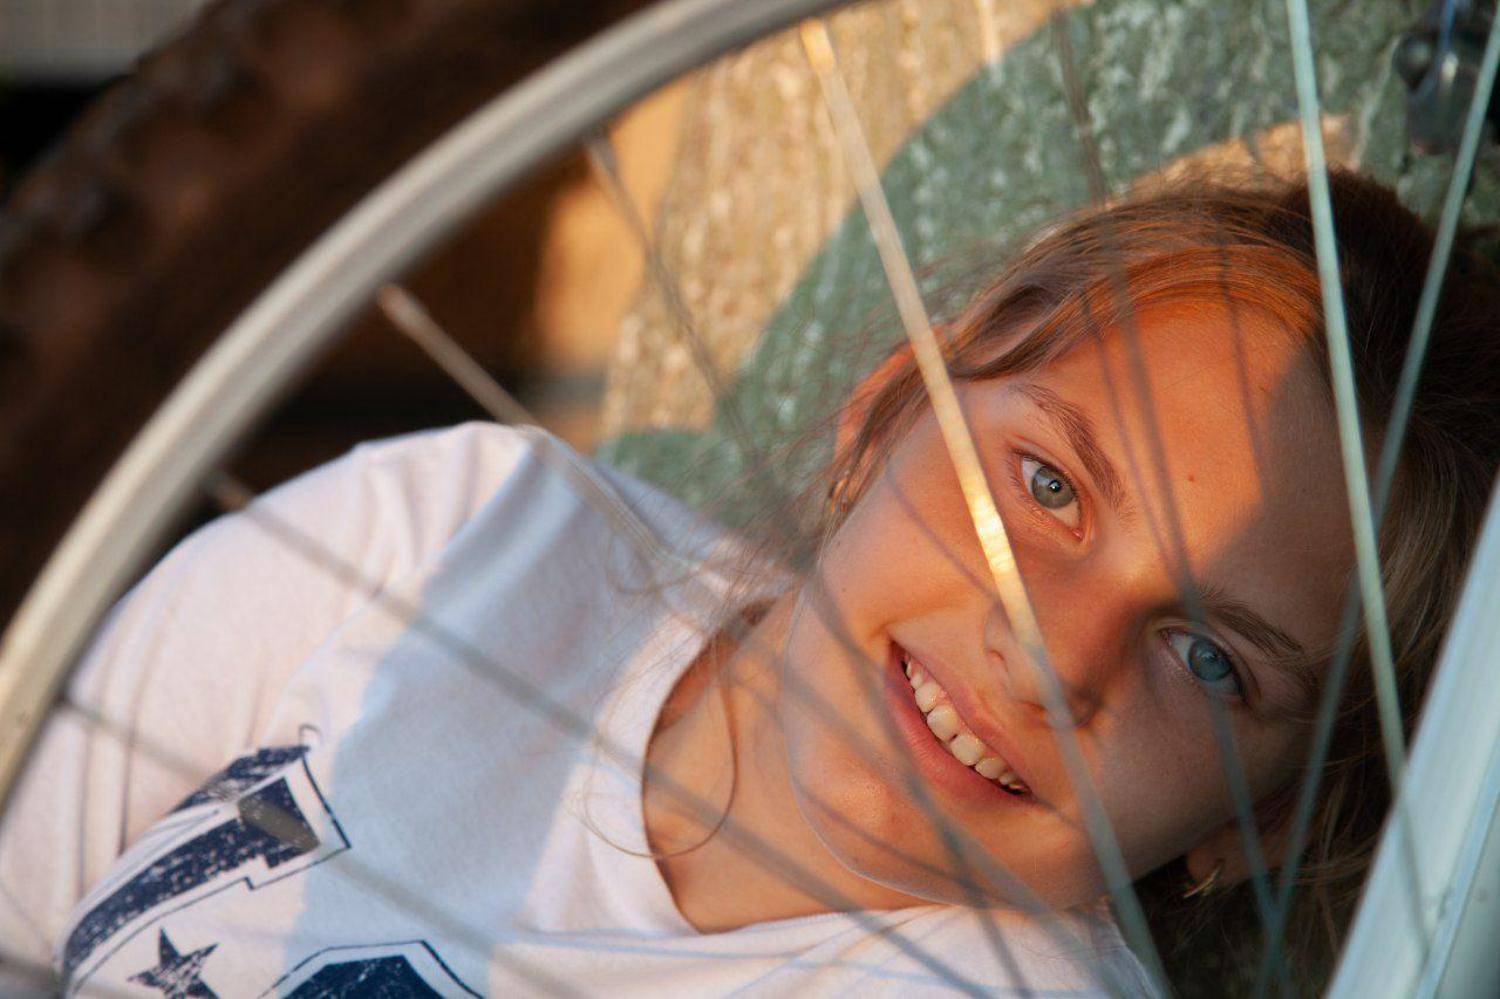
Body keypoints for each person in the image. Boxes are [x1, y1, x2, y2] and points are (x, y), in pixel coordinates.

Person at [1, 170, 1494, 996]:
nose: (1053, 660)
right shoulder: (465, 530)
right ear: (892, 400)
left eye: (1212, 660)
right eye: (1049, 486)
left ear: (1263, 821)